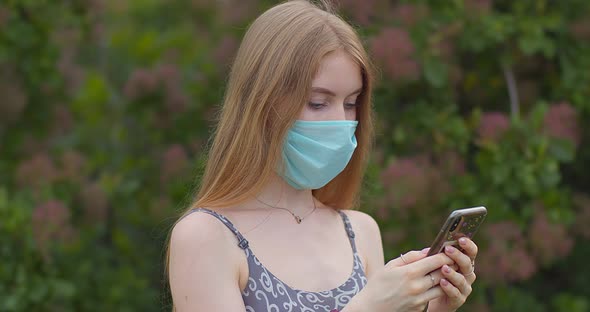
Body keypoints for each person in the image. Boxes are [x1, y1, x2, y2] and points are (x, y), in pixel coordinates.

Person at [165, 1, 479, 311]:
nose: (341, 124)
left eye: (351, 103)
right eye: (318, 103)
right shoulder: (206, 237)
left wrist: (437, 308)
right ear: (261, 103)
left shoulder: (359, 231)